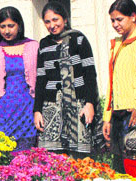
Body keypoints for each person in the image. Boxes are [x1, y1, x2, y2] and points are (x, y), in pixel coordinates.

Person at [33, 2, 104, 159]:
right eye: (47, 21)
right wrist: (37, 110)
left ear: (65, 19)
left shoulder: (78, 39)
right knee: (54, 159)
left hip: (78, 105)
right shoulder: (44, 45)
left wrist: (90, 104)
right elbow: (41, 79)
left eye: (55, 19)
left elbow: (90, 74)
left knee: (80, 159)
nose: (52, 25)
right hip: (52, 108)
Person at [0, 6, 39, 151]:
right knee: (4, 154)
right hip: (3, 111)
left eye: (11, 26)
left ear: (19, 25)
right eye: (3, 26)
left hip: (27, 108)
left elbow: (41, 78)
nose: (7, 31)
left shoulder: (33, 46)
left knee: (27, 154)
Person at [103, 0, 136, 173]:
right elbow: (112, 82)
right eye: (112, 20)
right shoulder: (117, 44)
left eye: (119, 19)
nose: (115, 24)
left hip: (134, 114)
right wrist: (107, 117)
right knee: (120, 169)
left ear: (133, 16)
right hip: (119, 114)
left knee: (135, 168)